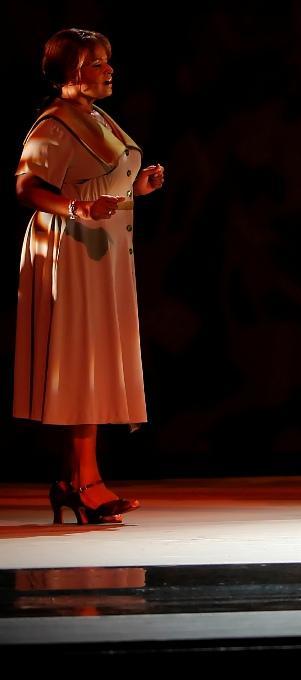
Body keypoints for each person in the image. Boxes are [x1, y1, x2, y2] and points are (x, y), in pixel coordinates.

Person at [14, 28, 165, 525]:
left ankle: (70, 479)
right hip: (72, 252)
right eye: (97, 62)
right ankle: (85, 481)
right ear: (71, 73)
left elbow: (102, 184)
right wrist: (76, 207)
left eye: (107, 59)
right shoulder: (54, 125)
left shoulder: (97, 117)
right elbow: (29, 187)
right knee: (81, 362)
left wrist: (134, 190)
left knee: (95, 360)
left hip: (106, 251)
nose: (108, 68)